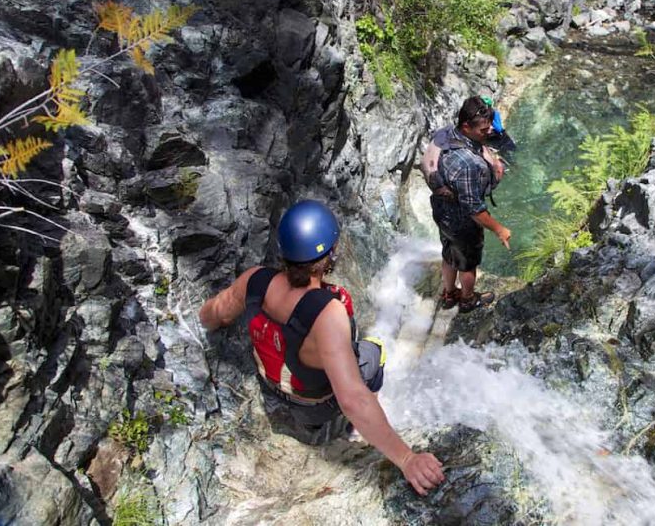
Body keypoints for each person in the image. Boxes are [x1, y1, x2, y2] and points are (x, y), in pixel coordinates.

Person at [199, 199, 444, 496]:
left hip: (271, 385)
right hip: (313, 407)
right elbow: (352, 398)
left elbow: (212, 314)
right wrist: (407, 459)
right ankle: (354, 428)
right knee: (373, 352)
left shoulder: (255, 279)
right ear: (329, 255)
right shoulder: (328, 313)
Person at [424, 96, 512, 311]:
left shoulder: (446, 135)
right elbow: (473, 208)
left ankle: (449, 294)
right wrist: (499, 229)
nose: (490, 130)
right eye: (484, 129)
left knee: (449, 253)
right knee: (468, 263)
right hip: (462, 221)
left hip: (442, 212)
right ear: (466, 126)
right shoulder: (468, 165)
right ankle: (468, 299)